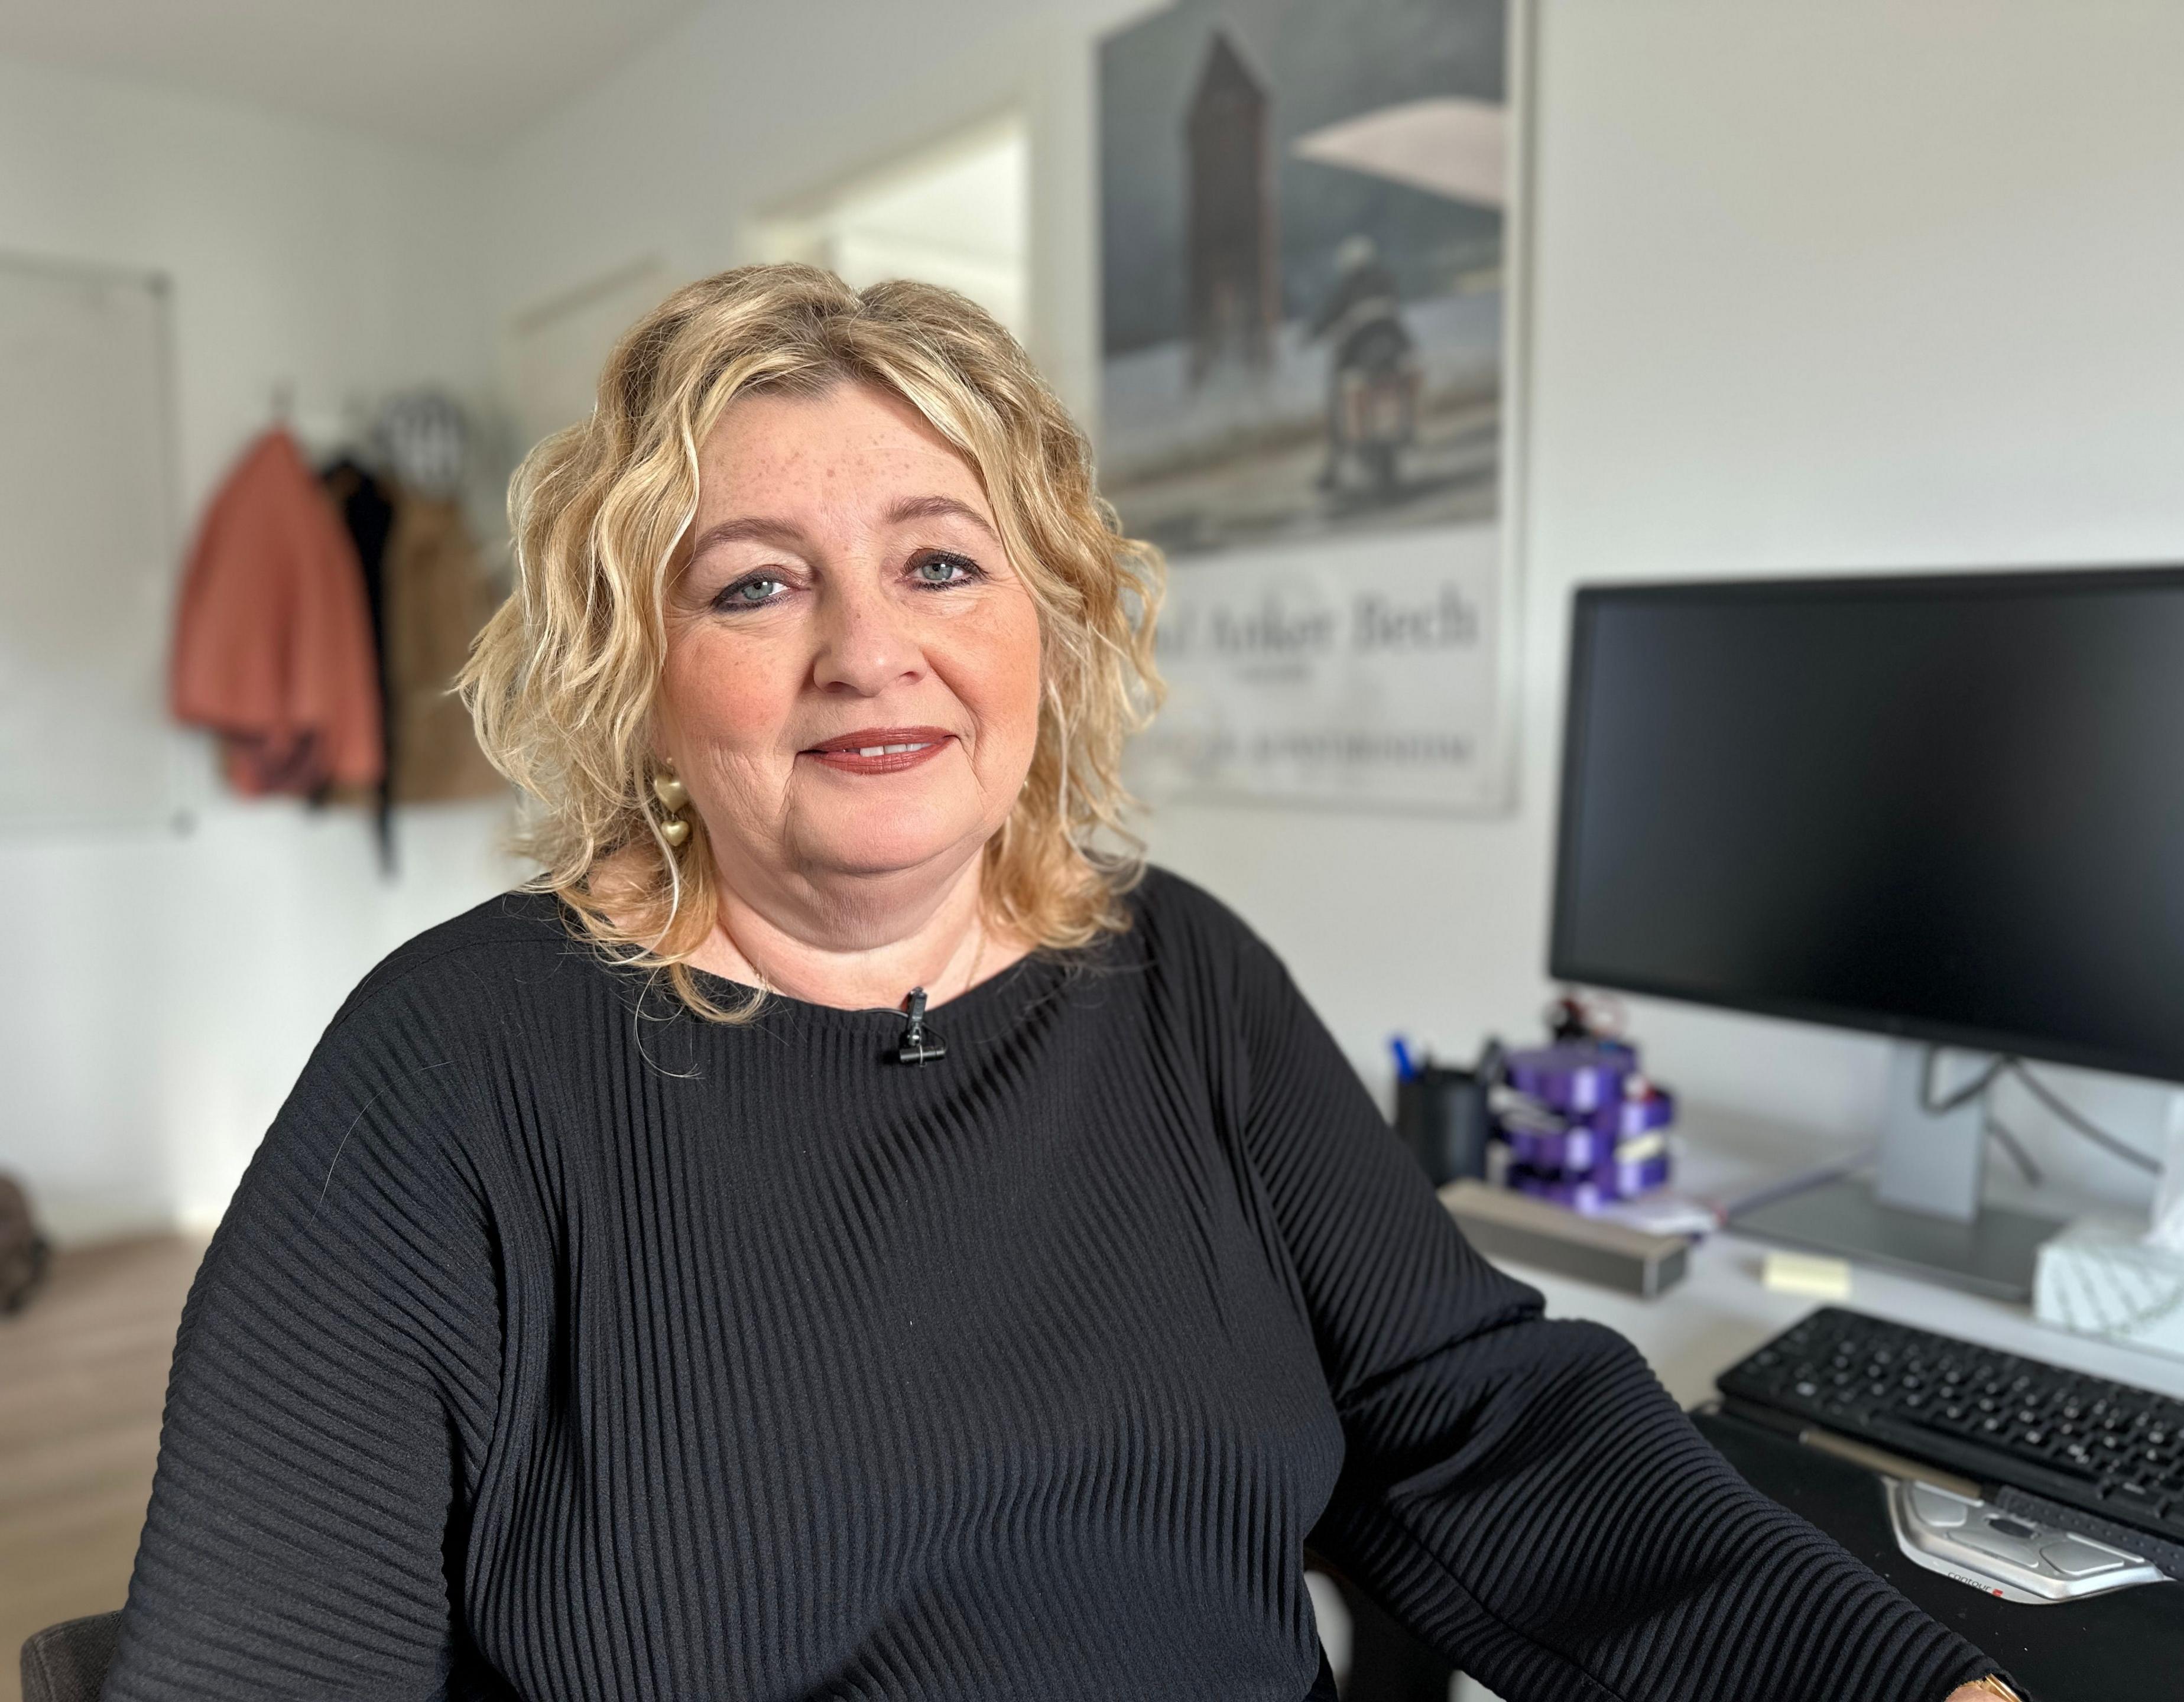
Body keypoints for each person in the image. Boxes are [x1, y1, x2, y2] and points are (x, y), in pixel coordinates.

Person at [103, 265, 2020, 1702]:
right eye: (756, 584)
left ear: (1051, 625)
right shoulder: (451, 1068)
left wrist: (1915, 1687)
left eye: (943, 563)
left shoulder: (1178, 973)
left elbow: (1479, 1423)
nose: (873, 651)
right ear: (641, 682)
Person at [1309, 234, 1415, 495]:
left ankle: (1334, 465)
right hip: (1395, 352)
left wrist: (1311, 334)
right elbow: (1397, 314)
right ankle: (1408, 432)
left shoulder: (1347, 287)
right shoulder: (1385, 279)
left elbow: (1326, 318)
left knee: (1337, 400)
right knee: (1403, 385)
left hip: (1358, 357)